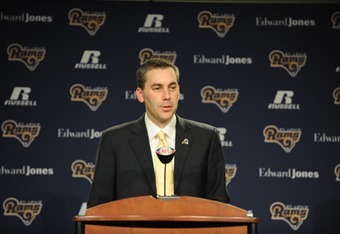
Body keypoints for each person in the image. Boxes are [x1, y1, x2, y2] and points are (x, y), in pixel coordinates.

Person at [87, 58, 230, 208]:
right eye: (157, 88)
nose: (167, 96)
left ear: (179, 91)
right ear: (140, 95)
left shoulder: (206, 138)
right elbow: (98, 208)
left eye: (172, 87)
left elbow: (219, 206)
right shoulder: (114, 141)